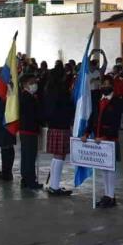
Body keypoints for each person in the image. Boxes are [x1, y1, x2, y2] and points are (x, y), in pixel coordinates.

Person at [84, 75, 123, 208]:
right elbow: (92, 118)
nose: (105, 86)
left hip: (109, 140)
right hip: (98, 140)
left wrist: (106, 136)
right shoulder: (98, 100)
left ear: (112, 86)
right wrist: (86, 133)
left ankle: (111, 196)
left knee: (110, 169)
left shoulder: (117, 101)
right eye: (103, 84)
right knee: (103, 169)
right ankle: (107, 194)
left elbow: (116, 123)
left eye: (107, 84)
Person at [44, 64, 74, 196]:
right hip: (61, 125)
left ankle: (53, 185)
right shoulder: (61, 91)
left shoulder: (49, 89)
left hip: (53, 125)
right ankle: (54, 186)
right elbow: (67, 108)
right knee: (60, 156)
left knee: (57, 156)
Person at [19, 73, 43, 190]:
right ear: (25, 85)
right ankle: (30, 180)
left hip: (26, 130)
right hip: (29, 130)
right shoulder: (27, 97)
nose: (35, 85)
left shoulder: (28, 96)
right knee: (29, 156)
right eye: (32, 83)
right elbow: (34, 114)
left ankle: (25, 179)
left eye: (35, 82)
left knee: (26, 156)